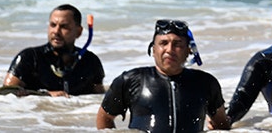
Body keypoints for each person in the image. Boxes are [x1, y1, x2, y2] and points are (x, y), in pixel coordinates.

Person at [97, 19, 230, 132]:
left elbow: (221, 124)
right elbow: (104, 118)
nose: (170, 50)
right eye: (163, 43)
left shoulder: (205, 83)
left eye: (177, 44)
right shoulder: (130, 80)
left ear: (189, 50)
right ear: (153, 49)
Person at [3, 4, 105, 96]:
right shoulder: (29, 58)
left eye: (64, 27)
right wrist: (45, 95)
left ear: (78, 32)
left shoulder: (91, 61)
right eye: (53, 25)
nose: (56, 31)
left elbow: (99, 98)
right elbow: (5, 94)